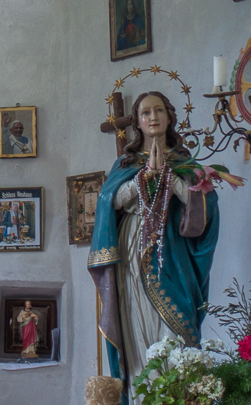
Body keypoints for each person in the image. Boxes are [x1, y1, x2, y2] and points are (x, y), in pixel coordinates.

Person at [89, 91, 219, 404]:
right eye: (146, 113)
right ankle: (141, 396)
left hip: (171, 253)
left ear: (170, 116)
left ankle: (176, 395)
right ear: (138, 122)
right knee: (135, 329)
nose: (153, 117)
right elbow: (110, 202)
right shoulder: (126, 163)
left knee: (174, 332)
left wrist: (170, 179)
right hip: (132, 250)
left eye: (159, 110)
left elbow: (205, 205)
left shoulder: (186, 164)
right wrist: (140, 181)